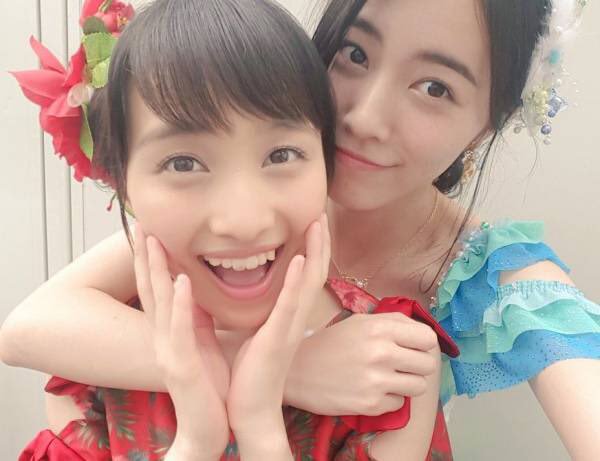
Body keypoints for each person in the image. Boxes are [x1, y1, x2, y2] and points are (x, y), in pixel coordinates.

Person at [2, 0, 599, 458]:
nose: (363, 117)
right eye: (355, 54)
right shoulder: (233, 220)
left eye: (435, 87)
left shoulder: (499, 280)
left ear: (487, 125)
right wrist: (285, 367)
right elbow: (30, 327)